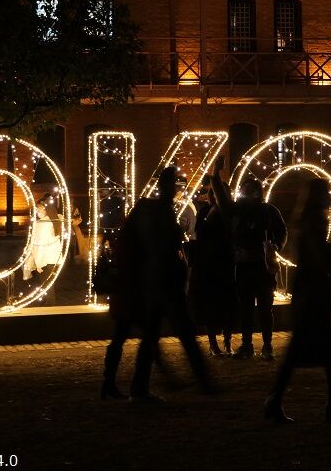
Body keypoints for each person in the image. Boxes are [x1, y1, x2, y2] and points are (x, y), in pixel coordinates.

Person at [264, 179, 331, 424]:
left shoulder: (308, 220)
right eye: (327, 192)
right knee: (320, 352)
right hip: (314, 296)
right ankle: (328, 404)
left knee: (319, 352)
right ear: (318, 196)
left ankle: (330, 403)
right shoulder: (314, 221)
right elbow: (321, 258)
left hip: (310, 294)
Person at [121, 166, 211, 402]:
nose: (176, 189)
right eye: (174, 184)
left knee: (156, 336)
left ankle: (140, 388)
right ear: (166, 186)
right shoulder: (157, 210)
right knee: (180, 333)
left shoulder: (151, 209)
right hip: (164, 281)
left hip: (156, 281)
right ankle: (203, 381)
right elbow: (165, 247)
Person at [211, 157, 287, 360]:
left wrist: (276, 246)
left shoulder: (268, 210)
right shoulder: (237, 209)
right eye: (244, 188)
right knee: (246, 307)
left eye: (249, 188)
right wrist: (215, 176)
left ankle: (267, 345)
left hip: (262, 265)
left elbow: (282, 231)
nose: (245, 191)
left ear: (257, 192)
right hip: (244, 264)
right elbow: (221, 200)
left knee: (264, 307)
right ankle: (247, 345)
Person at [187, 176, 237, 356]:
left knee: (226, 304)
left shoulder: (230, 213)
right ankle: (213, 343)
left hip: (225, 262)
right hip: (209, 263)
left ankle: (227, 341)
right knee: (211, 304)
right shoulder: (205, 212)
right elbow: (200, 234)